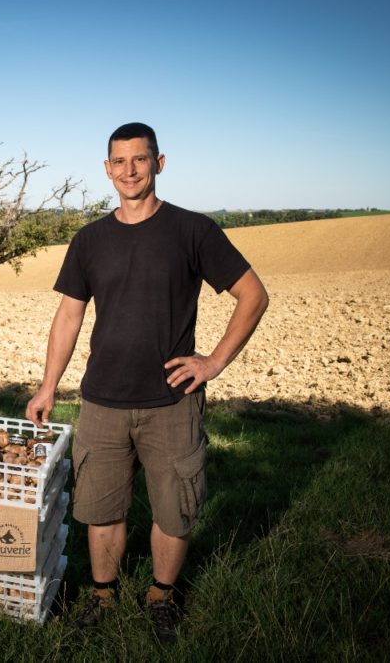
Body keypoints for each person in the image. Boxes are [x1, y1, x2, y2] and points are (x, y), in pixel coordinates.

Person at [26, 123, 269, 643]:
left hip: (171, 402)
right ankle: (103, 595)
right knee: (101, 509)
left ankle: (161, 597)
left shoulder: (192, 231)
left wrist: (214, 362)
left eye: (141, 160)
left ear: (159, 164)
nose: (129, 170)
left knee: (174, 510)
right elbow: (68, 317)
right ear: (107, 167)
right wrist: (49, 387)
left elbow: (253, 294)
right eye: (120, 161)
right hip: (103, 401)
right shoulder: (90, 239)